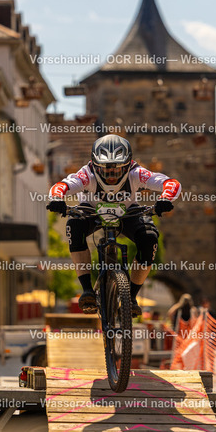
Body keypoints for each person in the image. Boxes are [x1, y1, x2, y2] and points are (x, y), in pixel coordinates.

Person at [46, 134, 181, 316]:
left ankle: (131, 297)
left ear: (128, 166)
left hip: (127, 212)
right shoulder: (86, 174)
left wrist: (165, 199)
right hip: (91, 211)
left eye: (116, 171)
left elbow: (170, 183)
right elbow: (61, 186)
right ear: (95, 166)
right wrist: (57, 199)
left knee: (149, 238)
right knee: (74, 226)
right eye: (105, 170)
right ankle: (87, 290)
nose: (111, 176)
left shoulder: (136, 173)